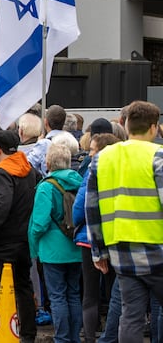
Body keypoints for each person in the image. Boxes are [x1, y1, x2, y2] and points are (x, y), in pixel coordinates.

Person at [86, 100, 163, 342]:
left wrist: (98, 252)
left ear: (126, 125)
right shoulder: (158, 156)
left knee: (131, 316)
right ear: (154, 127)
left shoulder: (102, 159)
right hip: (156, 248)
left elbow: (92, 208)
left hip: (120, 249)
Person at [0, 130, 42, 343]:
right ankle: (27, 334)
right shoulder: (28, 169)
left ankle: (4, 332)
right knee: (24, 287)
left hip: (3, 240)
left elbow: (1, 205)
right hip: (24, 239)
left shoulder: (2, 172)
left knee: (1, 288)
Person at [28, 143, 83, 343]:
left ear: (48, 163)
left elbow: (40, 223)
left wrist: (32, 243)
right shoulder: (80, 182)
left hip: (52, 249)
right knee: (74, 294)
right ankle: (74, 337)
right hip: (76, 246)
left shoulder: (46, 186)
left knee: (57, 296)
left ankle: (62, 338)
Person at [72, 131, 119, 343]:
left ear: (100, 152)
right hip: (115, 237)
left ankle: (90, 338)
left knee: (90, 294)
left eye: (91, 150)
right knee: (114, 294)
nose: (88, 154)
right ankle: (113, 335)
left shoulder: (91, 174)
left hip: (89, 238)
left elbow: (79, 210)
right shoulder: (122, 173)